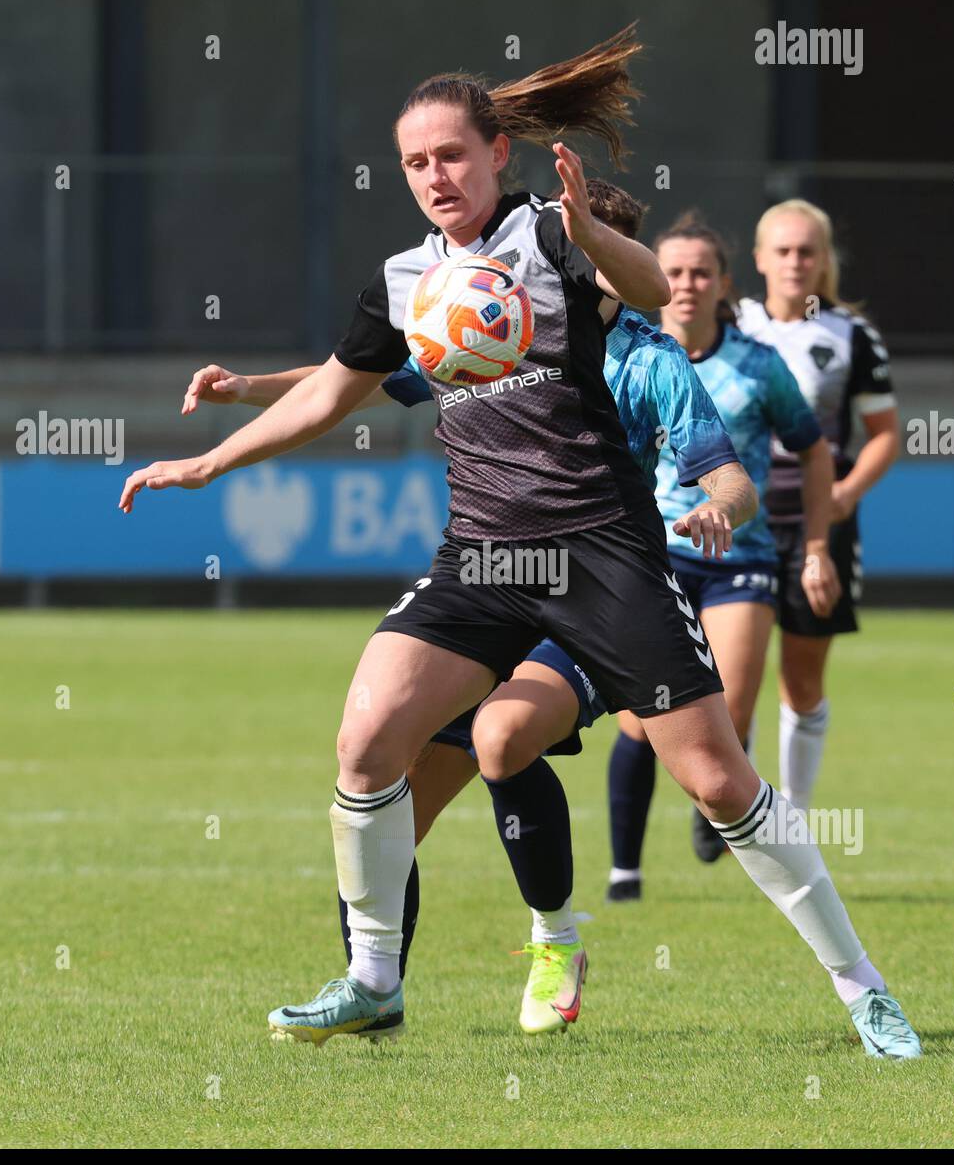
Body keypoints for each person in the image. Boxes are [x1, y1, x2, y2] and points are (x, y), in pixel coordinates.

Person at [120, 28, 921, 1059]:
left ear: (498, 152)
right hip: (485, 557)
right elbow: (333, 387)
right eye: (415, 161)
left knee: (719, 780)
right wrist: (208, 462)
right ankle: (373, 977)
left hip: (604, 551)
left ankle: (862, 987)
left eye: (450, 154)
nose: (433, 176)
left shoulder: (550, 237)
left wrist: (590, 232)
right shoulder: (407, 281)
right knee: (367, 738)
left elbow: (644, 295)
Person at [182, 178, 756, 1034]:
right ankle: (372, 991)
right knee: (391, 807)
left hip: (599, 587)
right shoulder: (496, 329)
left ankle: (557, 939)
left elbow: (732, 475)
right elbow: (370, 378)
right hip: (496, 582)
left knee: (503, 738)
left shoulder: (648, 358)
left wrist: (719, 504)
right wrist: (248, 387)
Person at [606, 211, 840, 886]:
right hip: (656, 553)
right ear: (651, 276)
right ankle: (625, 871)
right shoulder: (624, 353)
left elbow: (813, 451)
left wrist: (818, 542)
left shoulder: (760, 366)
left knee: (729, 710)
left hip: (742, 557)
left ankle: (715, 806)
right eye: (673, 271)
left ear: (723, 284)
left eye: (700, 271)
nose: (685, 283)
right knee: (639, 715)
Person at [738, 200, 899, 811]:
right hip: (740, 519)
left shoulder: (852, 336)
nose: (795, 262)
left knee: (801, 679)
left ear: (825, 259)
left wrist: (845, 495)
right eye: (782, 250)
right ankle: (732, 802)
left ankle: (794, 818)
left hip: (816, 520)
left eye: (808, 251)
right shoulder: (732, 326)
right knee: (732, 675)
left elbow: (885, 432)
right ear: (759, 258)